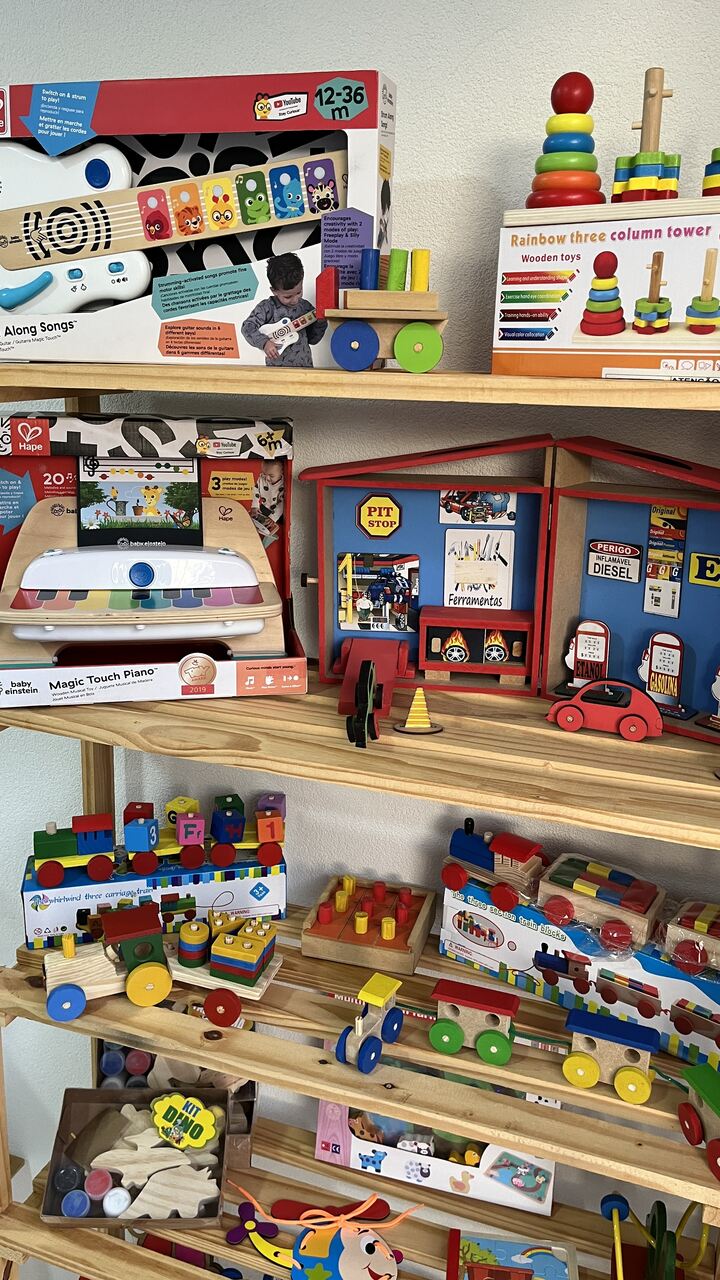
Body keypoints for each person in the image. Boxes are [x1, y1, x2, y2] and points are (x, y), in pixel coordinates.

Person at [241, 252, 327, 367]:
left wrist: (321, 323)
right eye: (288, 297)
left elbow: (313, 339)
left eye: (299, 292)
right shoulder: (267, 307)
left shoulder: (305, 307)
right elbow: (247, 327)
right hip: (276, 373)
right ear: (274, 291)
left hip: (305, 370)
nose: (295, 300)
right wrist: (264, 343)